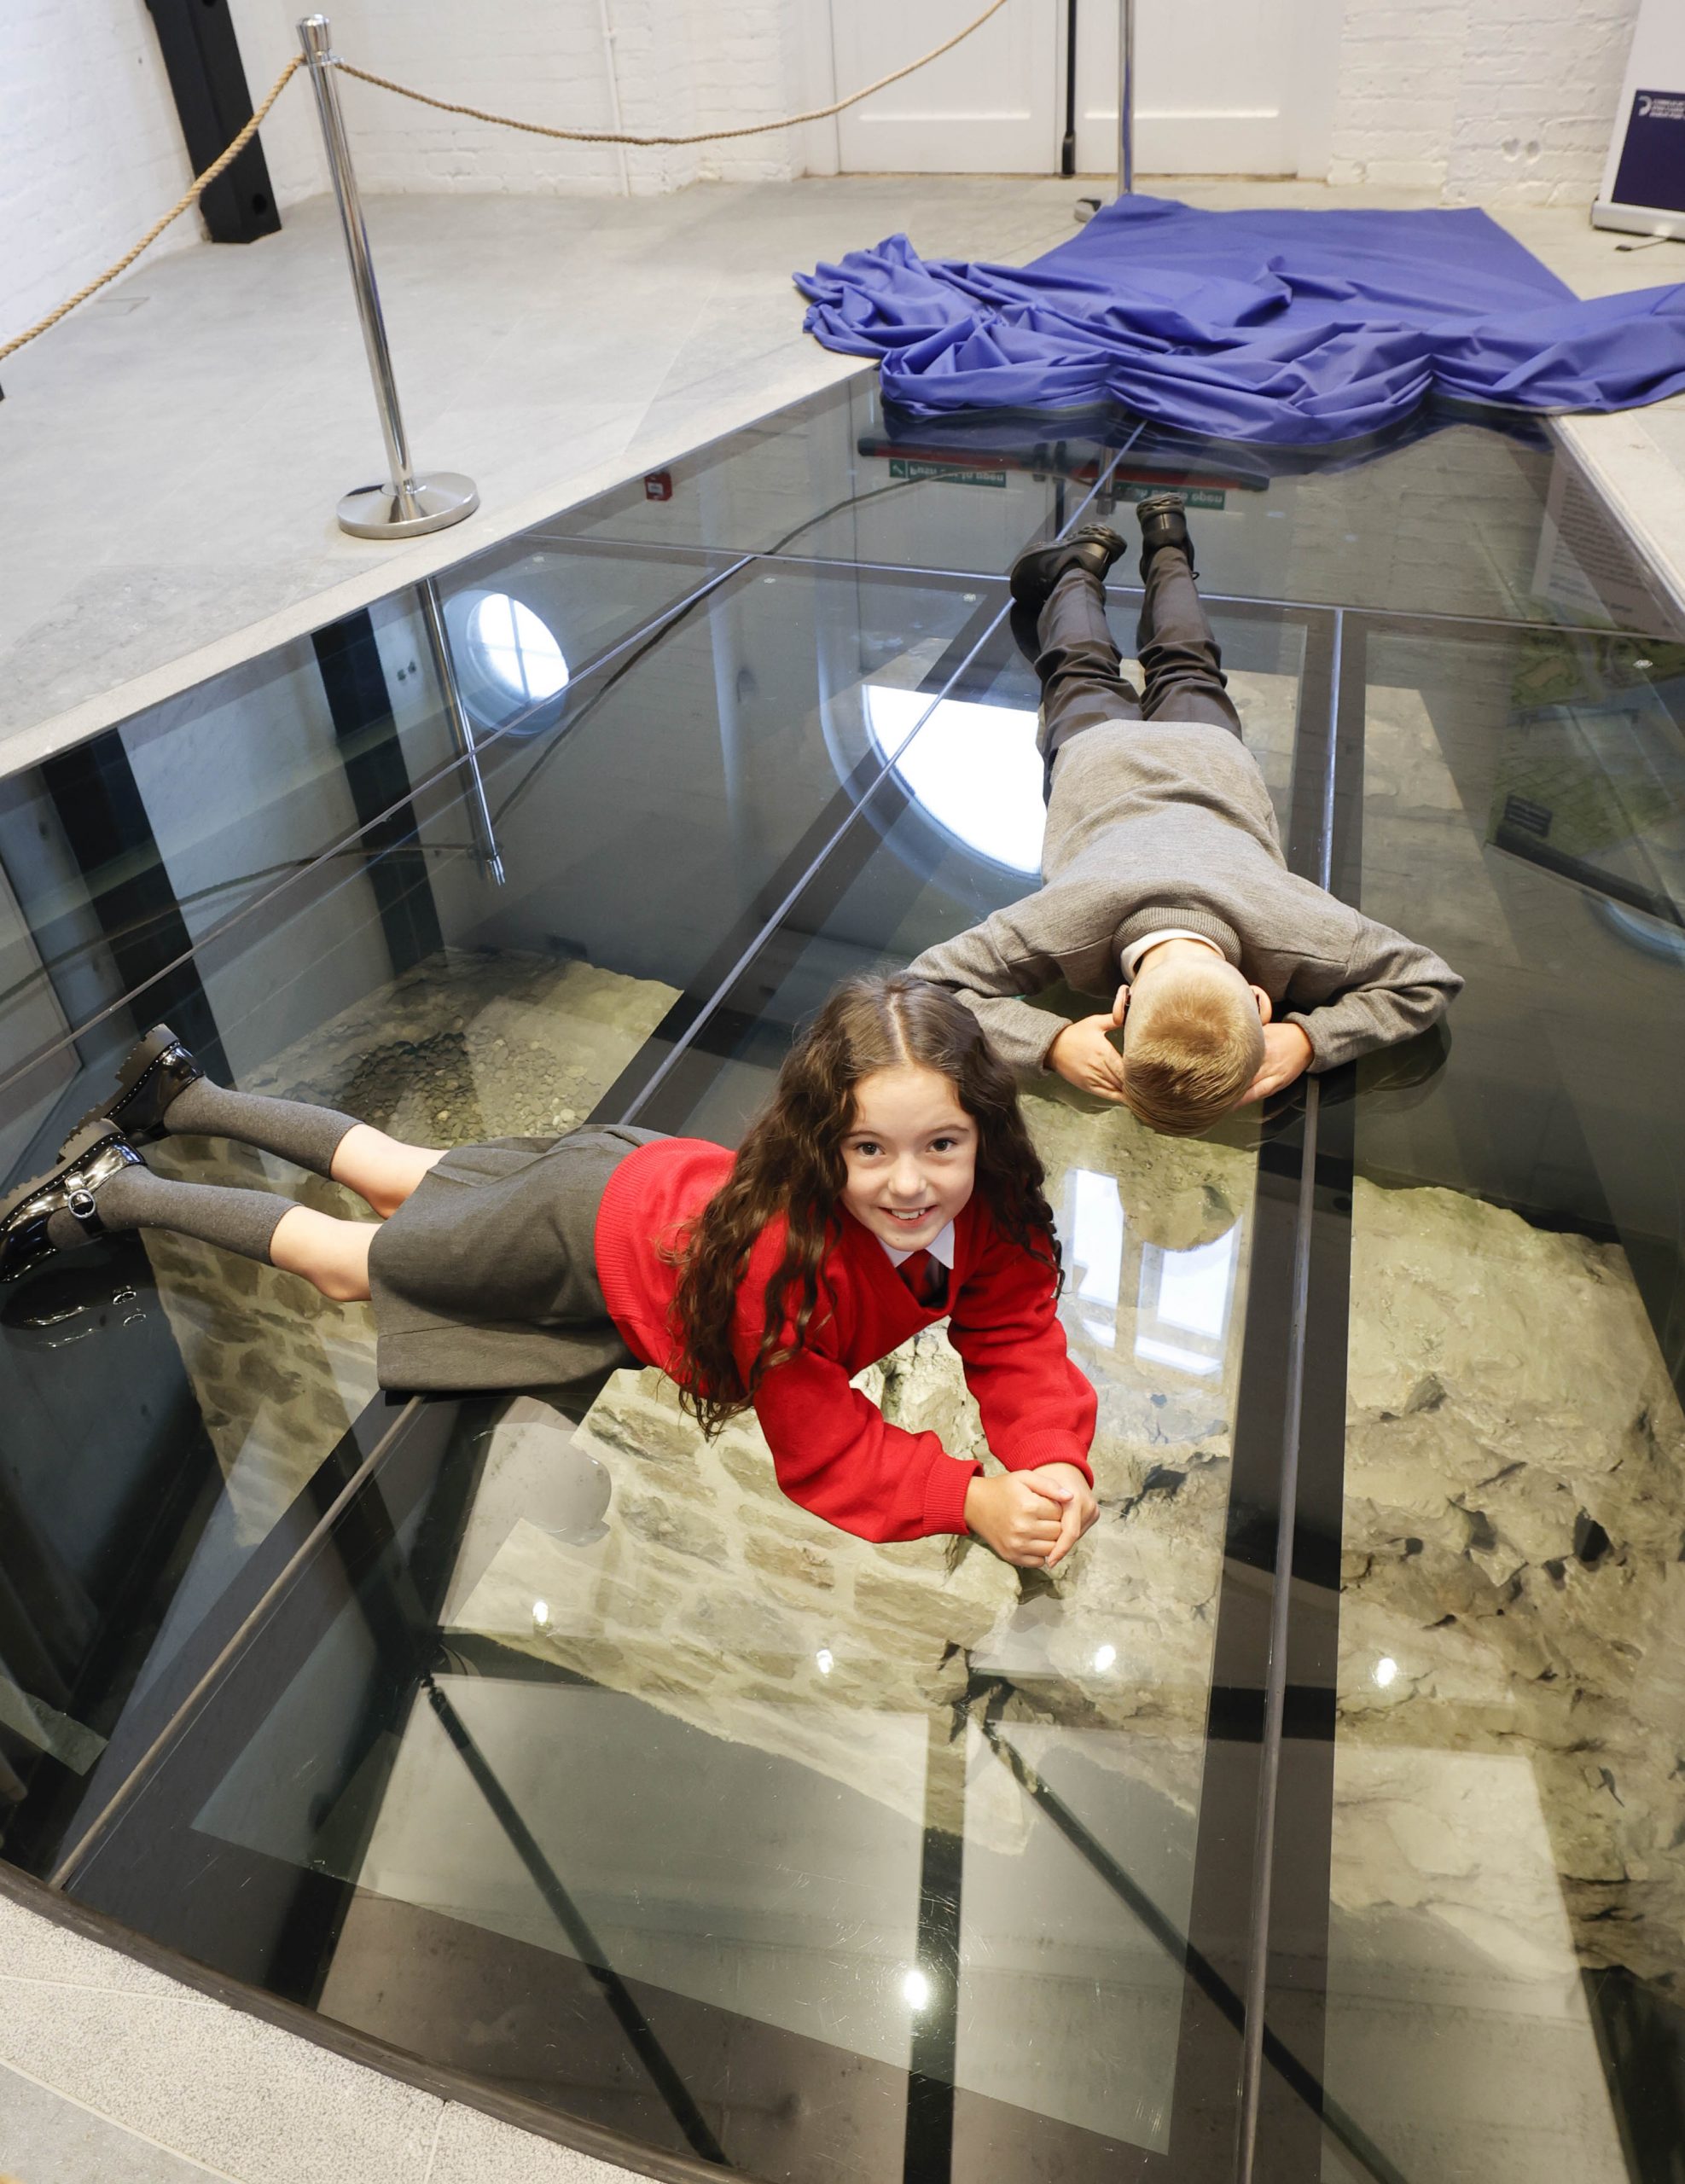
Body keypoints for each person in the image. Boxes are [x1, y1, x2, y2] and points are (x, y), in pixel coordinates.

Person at [0, 978, 1098, 1567]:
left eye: (940, 1145)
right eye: (869, 1149)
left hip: (642, 1185)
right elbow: (824, 1443)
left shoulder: (989, 1212)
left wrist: (1049, 1455)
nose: (910, 1185)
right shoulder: (781, 1269)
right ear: (823, 1144)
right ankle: (114, 1191)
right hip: (587, 1228)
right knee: (349, 1261)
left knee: (398, 1173)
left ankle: (179, 1096)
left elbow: (1012, 1326)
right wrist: (970, 1498)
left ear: (981, 1130)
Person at [908, 496, 1461, 1136]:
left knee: (1187, 659)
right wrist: (1050, 1042)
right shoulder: (1062, 922)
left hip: (1206, 750)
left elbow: (1425, 980)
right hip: (1097, 751)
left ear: (1259, 1003)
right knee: (1079, 664)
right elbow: (925, 987)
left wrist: (1305, 1036)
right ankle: (1078, 567)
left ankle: (1166, 541)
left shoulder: (1299, 927)